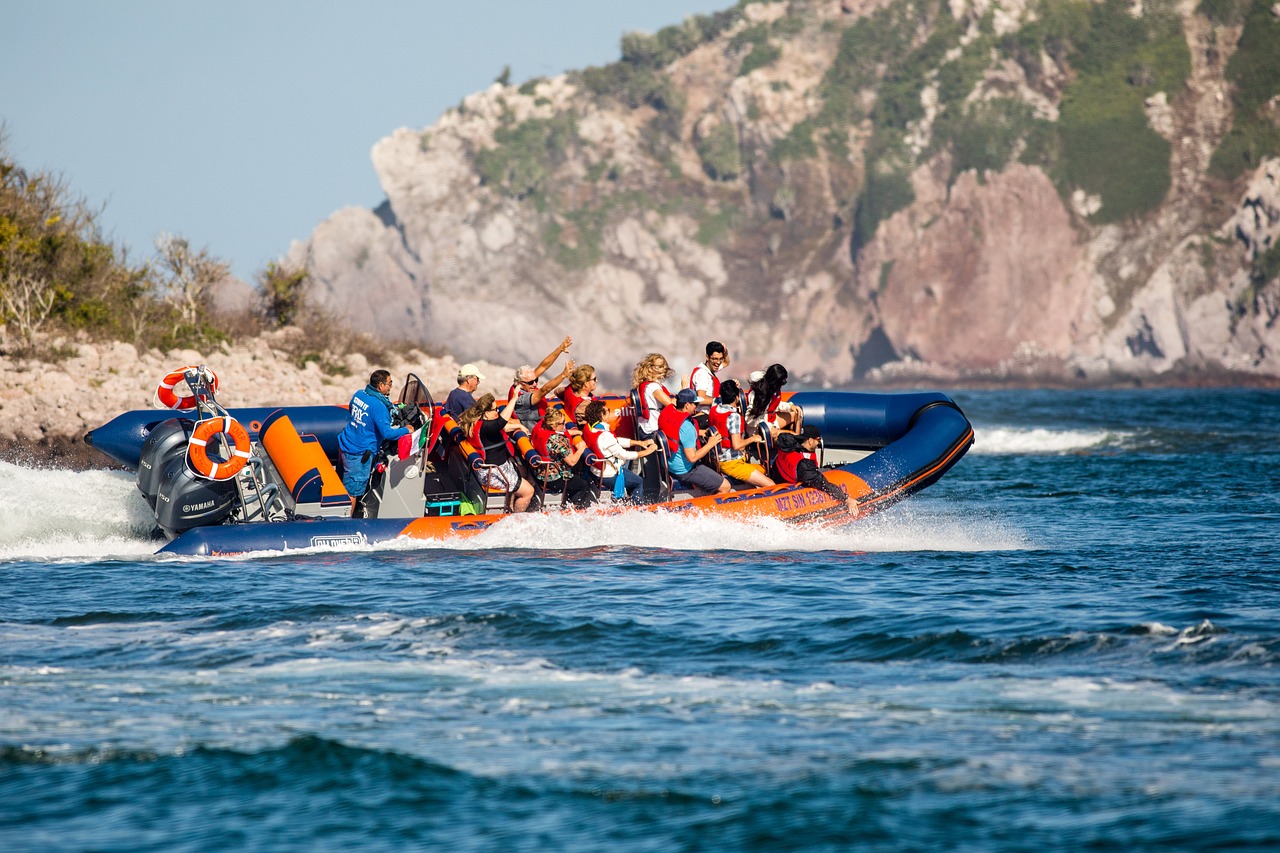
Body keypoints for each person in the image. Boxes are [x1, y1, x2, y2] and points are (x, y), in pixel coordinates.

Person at [338, 370, 411, 506]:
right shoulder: (379, 407)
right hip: (359, 454)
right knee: (352, 492)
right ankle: (346, 522)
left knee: (343, 481)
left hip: (345, 443)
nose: (391, 387)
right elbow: (387, 433)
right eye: (390, 384)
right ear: (381, 385)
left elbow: (352, 411)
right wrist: (406, 429)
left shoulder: (359, 394)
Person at [456, 392, 534, 513]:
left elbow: (503, 427)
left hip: (498, 467)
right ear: (486, 413)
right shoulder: (485, 427)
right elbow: (501, 423)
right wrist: (514, 399)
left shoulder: (479, 424)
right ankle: (518, 518)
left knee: (524, 472)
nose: (497, 411)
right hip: (492, 472)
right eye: (494, 409)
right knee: (529, 492)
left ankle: (511, 505)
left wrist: (519, 426)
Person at [774, 424, 859, 516]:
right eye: (817, 440)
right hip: (786, 485)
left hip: (776, 474)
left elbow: (778, 436)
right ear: (810, 441)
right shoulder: (805, 466)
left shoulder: (785, 441)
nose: (818, 443)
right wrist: (847, 499)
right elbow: (823, 484)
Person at [580, 399, 656, 502]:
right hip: (608, 474)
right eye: (608, 410)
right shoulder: (604, 435)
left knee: (630, 478)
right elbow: (623, 454)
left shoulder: (590, 428)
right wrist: (646, 452)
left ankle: (626, 504)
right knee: (638, 482)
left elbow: (614, 441)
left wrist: (639, 443)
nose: (609, 412)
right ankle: (636, 509)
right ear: (602, 416)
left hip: (595, 471)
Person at [660, 388, 729, 495]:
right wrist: (711, 443)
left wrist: (700, 432)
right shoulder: (687, 427)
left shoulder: (666, 412)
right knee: (725, 486)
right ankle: (708, 511)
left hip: (669, 464)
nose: (697, 407)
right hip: (684, 470)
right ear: (687, 405)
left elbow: (677, 433)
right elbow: (692, 458)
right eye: (695, 404)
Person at [708, 380, 775, 488]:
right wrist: (753, 438)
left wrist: (731, 388)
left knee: (762, 470)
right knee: (771, 484)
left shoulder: (715, 406)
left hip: (717, 458)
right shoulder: (733, 417)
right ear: (737, 397)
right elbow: (737, 445)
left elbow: (719, 398)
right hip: (731, 463)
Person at [630, 353, 676, 500]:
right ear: (650, 369)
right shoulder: (654, 387)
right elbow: (669, 404)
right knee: (654, 470)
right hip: (653, 430)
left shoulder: (644, 385)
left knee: (650, 469)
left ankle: (650, 497)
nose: (663, 369)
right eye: (659, 366)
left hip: (645, 428)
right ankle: (653, 498)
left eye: (664, 366)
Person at [530, 407, 591, 508]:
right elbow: (572, 461)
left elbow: (553, 435)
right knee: (583, 485)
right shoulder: (558, 441)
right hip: (553, 478)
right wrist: (581, 449)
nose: (565, 424)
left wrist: (572, 433)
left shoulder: (540, 428)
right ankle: (575, 509)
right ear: (553, 426)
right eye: (562, 423)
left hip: (540, 472)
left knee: (576, 477)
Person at [511, 356, 576, 431]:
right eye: (531, 382)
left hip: (546, 428)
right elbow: (545, 389)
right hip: (535, 434)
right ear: (520, 384)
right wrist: (563, 375)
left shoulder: (527, 387)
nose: (535, 384)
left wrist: (560, 348)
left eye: (536, 380)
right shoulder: (521, 400)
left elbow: (543, 366)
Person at [747, 363, 798, 434]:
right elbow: (749, 419)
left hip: (770, 420)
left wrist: (790, 406)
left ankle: (796, 438)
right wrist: (770, 427)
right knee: (789, 434)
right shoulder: (758, 394)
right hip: (760, 428)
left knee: (796, 414)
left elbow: (773, 405)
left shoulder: (771, 390)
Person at [688, 341, 728, 410]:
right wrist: (723, 401)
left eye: (721, 358)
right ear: (707, 357)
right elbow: (701, 399)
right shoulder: (702, 374)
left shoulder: (711, 368)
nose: (718, 362)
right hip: (703, 416)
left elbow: (726, 362)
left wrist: (725, 352)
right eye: (715, 359)